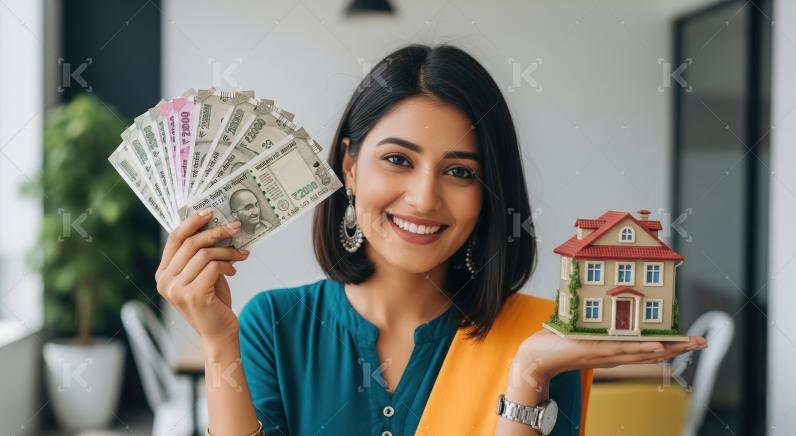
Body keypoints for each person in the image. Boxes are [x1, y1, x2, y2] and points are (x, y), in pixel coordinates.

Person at [155, 44, 707, 436]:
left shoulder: (541, 343)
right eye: (398, 160)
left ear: (488, 193)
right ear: (349, 166)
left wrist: (528, 376)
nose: (423, 199)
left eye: (460, 172)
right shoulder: (273, 325)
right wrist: (217, 344)